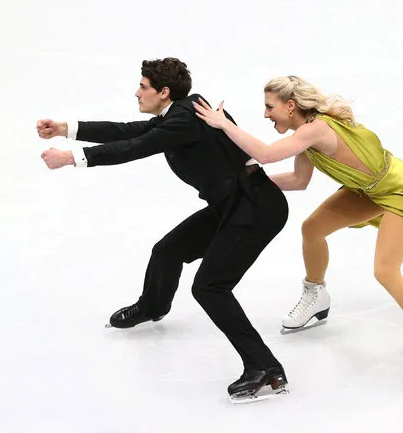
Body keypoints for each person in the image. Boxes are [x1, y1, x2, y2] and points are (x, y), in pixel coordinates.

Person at [193, 75, 403, 384]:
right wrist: (247, 183)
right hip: (368, 191)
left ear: (290, 106)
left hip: (398, 193)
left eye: (269, 107)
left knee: (385, 270)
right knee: (312, 229)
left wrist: (222, 124)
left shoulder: (315, 130)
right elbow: (298, 181)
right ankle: (316, 294)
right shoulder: (305, 138)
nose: (265, 115)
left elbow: (265, 154)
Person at [36, 58, 290, 402]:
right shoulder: (181, 113)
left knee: (211, 288)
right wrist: (67, 127)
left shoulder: (185, 118)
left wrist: (71, 158)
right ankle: (153, 305)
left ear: (163, 92)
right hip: (231, 204)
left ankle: (266, 368)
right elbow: (129, 131)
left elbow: (135, 147)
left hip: (255, 208)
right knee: (168, 251)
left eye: (143, 87)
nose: (137, 93)